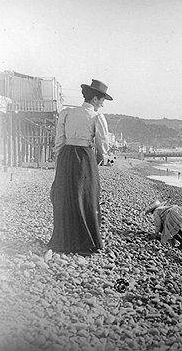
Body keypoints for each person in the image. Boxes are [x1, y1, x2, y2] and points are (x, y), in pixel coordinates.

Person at [48, 79, 113, 255]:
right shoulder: (96, 116)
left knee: (66, 195)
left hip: (66, 155)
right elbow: (103, 145)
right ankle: (86, 241)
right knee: (87, 196)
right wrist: (101, 157)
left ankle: (64, 240)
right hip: (84, 157)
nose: (102, 105)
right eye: (102, 101)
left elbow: (59, 141)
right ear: (95, 99)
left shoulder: (67, 113)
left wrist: (59, 161)